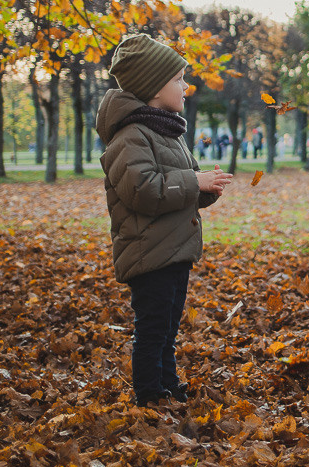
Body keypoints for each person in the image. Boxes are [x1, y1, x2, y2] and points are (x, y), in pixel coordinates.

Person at [97, 34, 233, 406]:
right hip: (148, 253)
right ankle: (149, 394)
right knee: (153, 329)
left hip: (173, 250)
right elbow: (143, 190)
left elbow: (176, 188)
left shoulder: (166, 130)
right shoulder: (130, 136)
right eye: (178, 80)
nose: (186, 86)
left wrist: (206, 188)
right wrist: (193, 181)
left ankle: (168, 382)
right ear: (153, 87)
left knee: (169, 326)